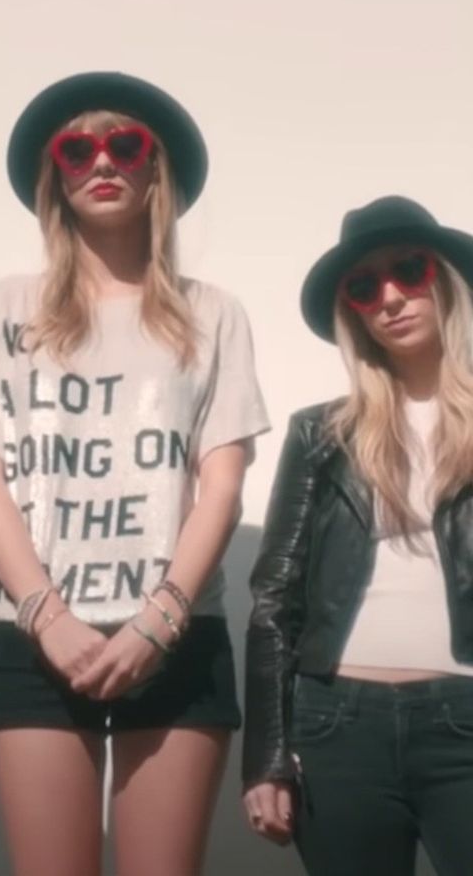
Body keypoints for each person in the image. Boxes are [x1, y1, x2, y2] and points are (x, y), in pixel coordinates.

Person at [0, 71, 270, 876]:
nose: (103, 162)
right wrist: (48, 617)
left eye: (126, 144)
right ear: (56, 172)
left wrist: (157, 621)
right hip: (33, 634)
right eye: (78, 146)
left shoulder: (212, 312)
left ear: (156, 170)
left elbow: (221, 485)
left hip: (178, 635)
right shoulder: (1, 310)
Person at [243, 195, 473, 876]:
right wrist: (267, 757)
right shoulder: (322, 434)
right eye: (365, 286)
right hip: (337, 722)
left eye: (409, 270)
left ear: (447, 281)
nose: (391, 297)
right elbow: (273, 596)